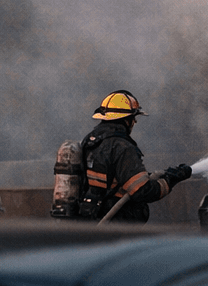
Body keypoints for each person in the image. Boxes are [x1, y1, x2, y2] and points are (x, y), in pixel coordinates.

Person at [76, 90, 192, 223]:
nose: (134, 122)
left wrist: (158, 175)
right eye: (133, 118)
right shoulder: (122, 147)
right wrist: (170, 180)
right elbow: (142, 190)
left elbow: (117, 176)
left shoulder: (90, 141)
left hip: (90, 216)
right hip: (115, 221)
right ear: (126, 120)